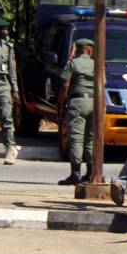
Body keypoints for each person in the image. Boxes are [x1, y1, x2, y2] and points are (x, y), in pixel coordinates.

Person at [57, 38, 95, 185]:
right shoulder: (96, 64)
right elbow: (102, 84)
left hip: (77, 102)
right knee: (90, 140)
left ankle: (76, 174)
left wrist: (61, 103)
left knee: (76, 139)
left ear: (77, 49)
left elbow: (65, 85)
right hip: (94, 103)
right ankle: (91, 173)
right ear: (90, 50)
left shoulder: (72, 63)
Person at [0, 16, 18, 164]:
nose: (6, 31)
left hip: (3, 85)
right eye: (3, 29)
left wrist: (15, 90)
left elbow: (12, 69)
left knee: (6, 117)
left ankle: (10, 148)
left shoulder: (8, 47)